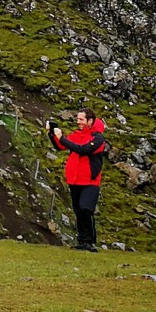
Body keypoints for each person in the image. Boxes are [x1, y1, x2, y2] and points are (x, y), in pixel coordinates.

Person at [50, 108, 108, 251]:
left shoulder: (98, 138)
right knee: (78, 210)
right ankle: (82, 241)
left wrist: (62, 138)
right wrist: (52, 134)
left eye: (81, 119)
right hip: (74, 180)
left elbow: (83, 149)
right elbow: (61, 146)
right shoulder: (77, 135)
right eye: (77, 119)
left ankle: (89, 241)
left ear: (90, 121)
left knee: (85, 209)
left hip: (90, 181)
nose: (78, 122)